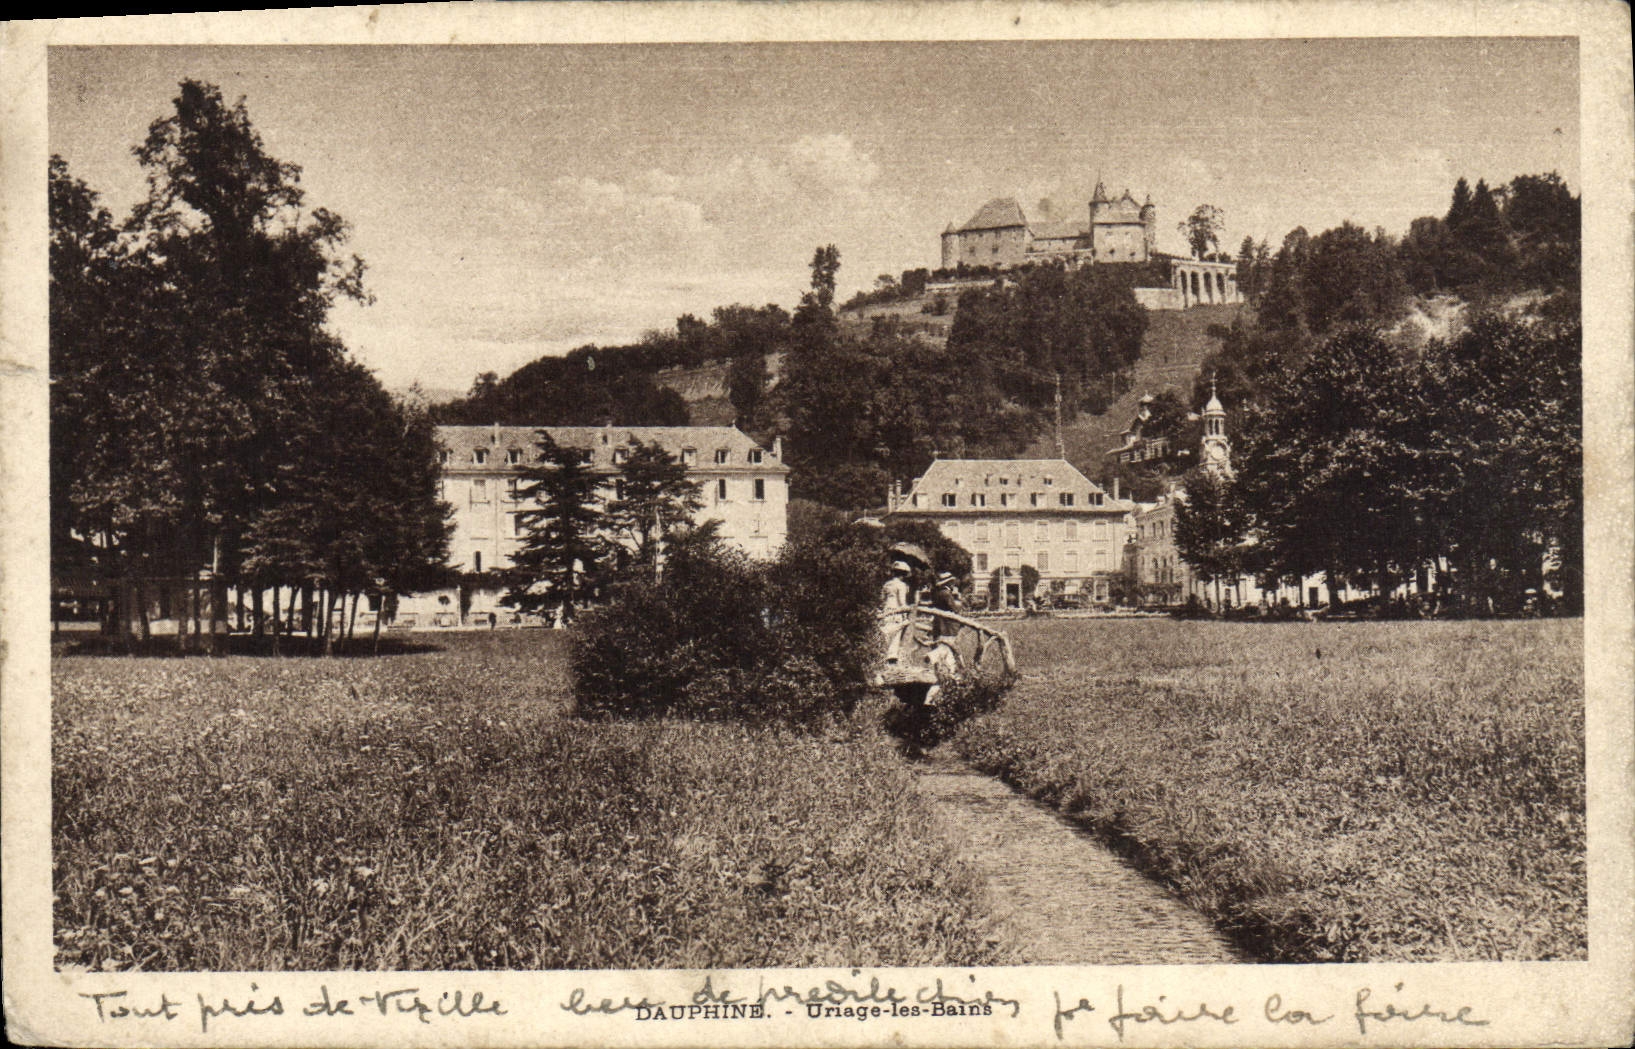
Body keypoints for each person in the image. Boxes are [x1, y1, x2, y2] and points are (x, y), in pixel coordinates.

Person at [881, 560, 913, 662]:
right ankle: (891, 660)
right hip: (896, 611)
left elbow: (882, 599)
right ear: (903, 574)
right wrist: (907, 610)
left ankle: (882, 657)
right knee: (895, 638)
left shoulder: (887, 584)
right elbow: (902, 602)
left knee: (886, 634)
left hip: (887, 610)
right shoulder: (901, 585)